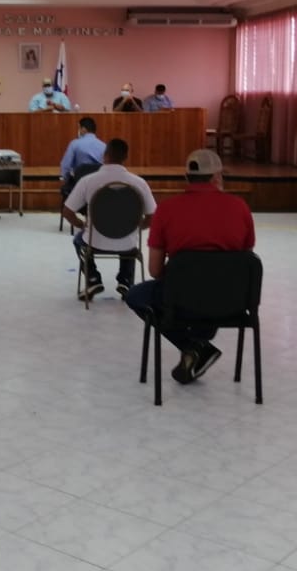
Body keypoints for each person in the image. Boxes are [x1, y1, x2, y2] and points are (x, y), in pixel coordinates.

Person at [124, 149, 255, 383]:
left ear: (187, 178)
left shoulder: (167, 210)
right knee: (208, 294)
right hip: (230, 301)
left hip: (181, 301)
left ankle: (194, 347)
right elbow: (246, 259)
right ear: (217, 177)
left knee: (136, 295)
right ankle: (197, 346)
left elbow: (154, 270)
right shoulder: (240, 207)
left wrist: (183, 277)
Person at [62, 137, 156, 300]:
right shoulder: (139, 183)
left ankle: (93, 279)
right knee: (130, 241)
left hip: (94, 240)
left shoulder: (88, 181)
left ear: (105, 155)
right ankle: (126, 281)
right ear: (126, 157)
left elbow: (67, 212)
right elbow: (152, 216)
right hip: (127, 243)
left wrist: (82, 225)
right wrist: (136, 226)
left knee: (78, 241)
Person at [60, 116, 106, 181]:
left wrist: (65, 179)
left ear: (83, 129)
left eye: (79, 128)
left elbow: (65, 166)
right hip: (98, 185)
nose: (78, 131)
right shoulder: (104, 146)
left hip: (79, 184)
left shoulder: (74, 144)